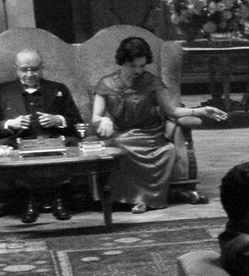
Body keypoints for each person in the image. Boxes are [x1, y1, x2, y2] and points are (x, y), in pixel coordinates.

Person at [91, 36, 228, 212]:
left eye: (142, 66)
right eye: (133, 66)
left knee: (167, 151)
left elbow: (172, 111)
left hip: (150, 135)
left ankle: (146, 200)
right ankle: (135, 199)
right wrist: (103, 120)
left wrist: (201, 111)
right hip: (122, 134)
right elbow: (96, 116)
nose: (138, 70)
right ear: (123, 62)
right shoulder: (106, 84)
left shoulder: (152, 83)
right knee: (120, 147)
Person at [0, 49, 85, 221]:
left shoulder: (58, 88)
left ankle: (59, 197)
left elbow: (77, 121)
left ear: (41, 68)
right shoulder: (3, 90)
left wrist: (58, 120)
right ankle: (28, 199)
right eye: (24, 70)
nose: (29, 74)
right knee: (0, 149)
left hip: (54, 140)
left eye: (34, 69)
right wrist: (9, 123)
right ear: (16, 69)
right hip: (18, 141)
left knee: (75, 146)